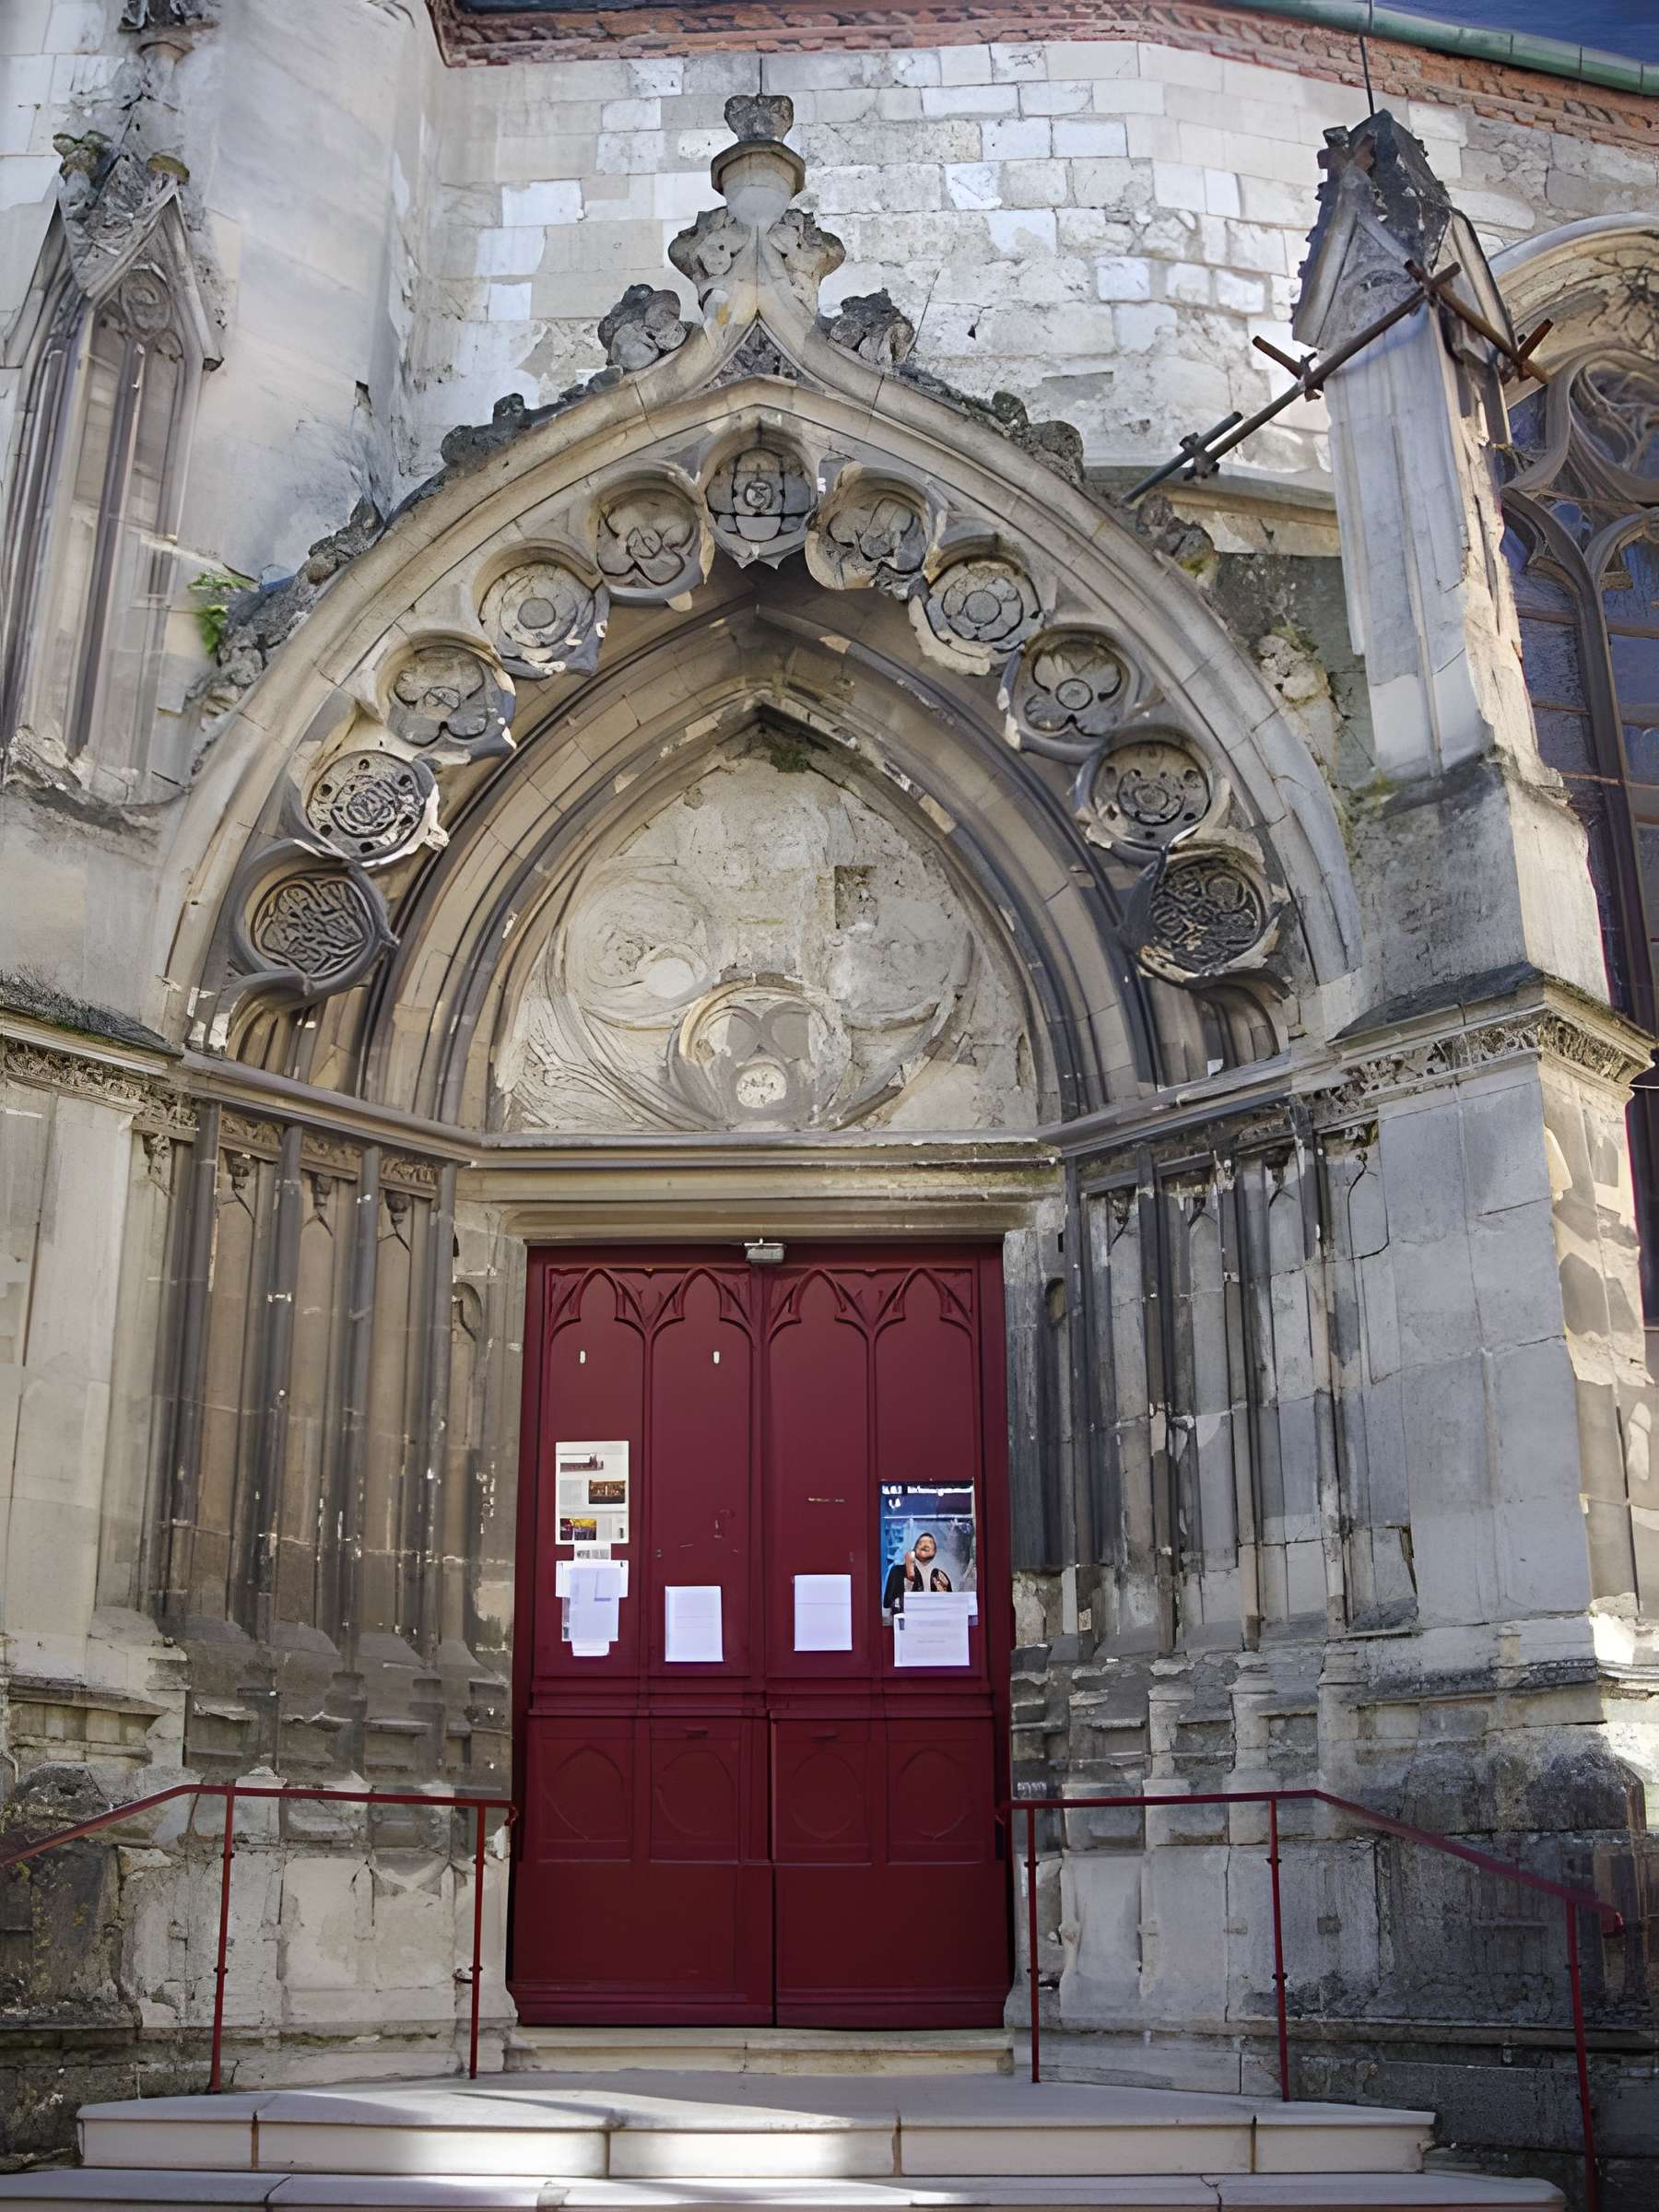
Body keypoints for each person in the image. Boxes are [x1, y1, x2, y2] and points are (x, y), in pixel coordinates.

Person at [882, 1529, 953, 1612]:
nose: (925, 1545)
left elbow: (950, 1606)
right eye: (920, 1543)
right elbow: (887, 1603)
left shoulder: (940, 1575)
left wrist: (943, 1593)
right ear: (915, 1549)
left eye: (930, 1543)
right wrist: (909, 1582)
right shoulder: (897, 1571)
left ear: (935, 1551)